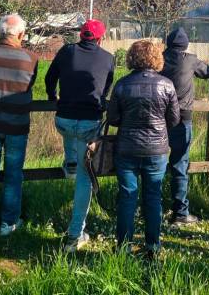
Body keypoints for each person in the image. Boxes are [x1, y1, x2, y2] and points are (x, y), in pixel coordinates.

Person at [45, 19, 115, 252]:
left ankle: (71, 163)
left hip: (63, 118)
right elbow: (106, 89)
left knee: (70, 136)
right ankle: (75, 235)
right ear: (100, 38)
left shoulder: (67, 51)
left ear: (81, 35)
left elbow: (50, 77)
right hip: (89, 121)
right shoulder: (108, 58)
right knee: (85, 178)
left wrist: (51, 95)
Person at [109, 40, 180, 260]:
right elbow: (174, 119)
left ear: (132, 58)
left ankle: (123, 247)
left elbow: (112, 118)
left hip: (127, 148)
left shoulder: (122, 85)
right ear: (156, 58)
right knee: (153, 197)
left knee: (127, 197)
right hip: (156, 150)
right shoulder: (167, 85)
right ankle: (153, 246)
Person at [0, 14, 39, 243]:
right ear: (21, 34)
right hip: (17, 126)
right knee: (13, 177)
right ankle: (8, 224)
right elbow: (29, 85)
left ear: (1, 32)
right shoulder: (31, 58)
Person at [159, 27, 209, 225]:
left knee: (155, 163)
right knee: (180, 164)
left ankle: (153, 210)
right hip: (183, 117)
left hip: (159, 117)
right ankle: (180, 212)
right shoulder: (190, 59)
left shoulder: (159, 58)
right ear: (185, 45)